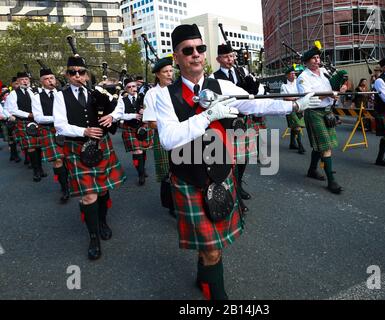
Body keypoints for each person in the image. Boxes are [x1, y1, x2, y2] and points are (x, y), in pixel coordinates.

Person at [155, 24, 319, 300]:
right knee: (211, 249)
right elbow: (169, 139)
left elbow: (257, 103)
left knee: (210, 248)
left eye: (200, 48)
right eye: (188, 50)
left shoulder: (223, 86)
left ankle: (203, 276)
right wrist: (207, 116)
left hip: (220, 172)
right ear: (177, 56)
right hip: (189, 178)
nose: (195, 54)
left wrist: (294, 106)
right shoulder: (163, 96)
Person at [54, 55, 127, 261]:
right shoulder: (61, 96)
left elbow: (119, 104)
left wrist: (113, 116)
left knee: (103, 190)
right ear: (66, 75)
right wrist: (83, 131)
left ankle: (102, 221)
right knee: (89, 195)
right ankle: (93, 237)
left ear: (87, 74)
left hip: (101, 146)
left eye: (81, 72)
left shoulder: (97, 92)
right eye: (72, 72)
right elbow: (59, 125)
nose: (77, 76)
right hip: (77, 147)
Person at [209, 43, 258, 213]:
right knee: (231, 159)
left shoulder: (242, 72)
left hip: (243, 119)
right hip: (227, 121)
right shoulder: (213, 78)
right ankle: (234, 191)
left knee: (244, 157)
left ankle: (239, 183)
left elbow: (253, 96)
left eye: (232, 56)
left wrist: (254, 85)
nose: (230, 60)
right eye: (226, 57)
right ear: (218, 59)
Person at [297, 46, 348, 194]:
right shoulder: (303, 78)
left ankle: (312, 170)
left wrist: (340, 88)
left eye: (318, 58)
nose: (317, 60)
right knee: (326, 146)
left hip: (327, 112)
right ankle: (332, 181)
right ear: (306, 62)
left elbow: (332, 88)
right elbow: (308, 98)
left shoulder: (324, 72)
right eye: (314, 58)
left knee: (320, 146)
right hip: (313, 112)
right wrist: (329, 94)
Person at [103, 78, 152, 185]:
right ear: (126, 89)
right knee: (137, 151)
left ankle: (142, 168)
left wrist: (146, 110)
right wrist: (134, 115)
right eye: (129, 87)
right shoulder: (122, 100)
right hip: (129, 127)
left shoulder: (143, 98)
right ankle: (141, 174)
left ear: (136, 87)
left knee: (143, 150)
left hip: (143, 127)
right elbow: (120, 114)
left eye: (133, 86)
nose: (131, 89)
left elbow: (153, 109)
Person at [31, 67, 70, 202]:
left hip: (67, 130)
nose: (50, 81)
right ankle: (65, 188)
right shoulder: (37, 97)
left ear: (55, 79)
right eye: (46, 79)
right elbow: (38, 118)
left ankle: (69, 180)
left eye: (51, 78)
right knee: (58, 159)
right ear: (42, 82)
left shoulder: (65, 93)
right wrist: (58, 119)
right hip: (49, 130)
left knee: (68, 158)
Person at [143, 57, 175, 217]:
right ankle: (171, 206)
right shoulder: (151, 94)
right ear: (157, 74)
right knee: (167, 172)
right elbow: (151, 122)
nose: (170, 74)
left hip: (183, 135)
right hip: (163, 136)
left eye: (171, 70)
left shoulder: (178, 89)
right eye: (165, 72)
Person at [5, 72, 46, 181]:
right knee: (31, 146)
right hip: (24, 122)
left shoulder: (35, 91)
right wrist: (28, 114)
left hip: (38, 121)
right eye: (22, 79)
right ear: (17, 81)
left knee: (39, 145)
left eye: (26, 79)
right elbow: (12, 110)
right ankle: (36, 171)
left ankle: (41, 169)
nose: (25, 81)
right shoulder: (13, 94)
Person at [280, 66, 306, 154]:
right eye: (291, 74)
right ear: (287, 75)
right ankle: (300, 145)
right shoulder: (284, 86)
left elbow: (302, 94)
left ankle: (292, 143)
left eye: (294, 73)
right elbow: (285, 97)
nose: (293, 75)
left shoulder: (298, 83)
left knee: (294, 126)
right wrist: (295, 98)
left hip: (299, 106)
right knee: (297, 125)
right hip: (289, 107)